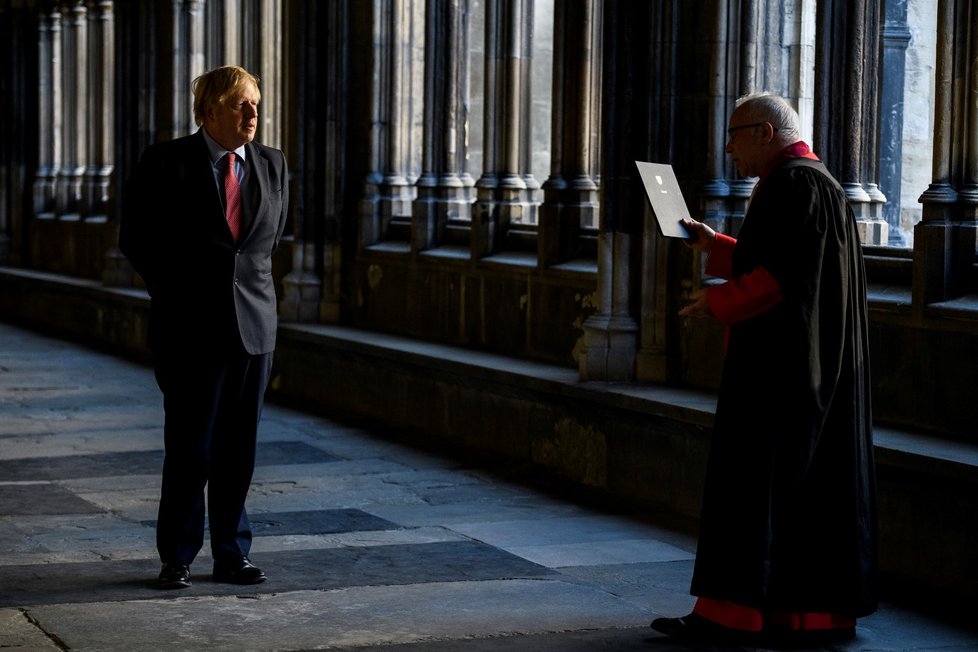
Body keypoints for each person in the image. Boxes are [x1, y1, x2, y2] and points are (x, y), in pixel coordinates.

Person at [651, 93, 878, 646]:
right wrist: (717, 244)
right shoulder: (809, 181)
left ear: (766, 132)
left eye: (735, 134)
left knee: (756, 487)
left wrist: (717, 302)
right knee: (801, 492)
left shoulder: (794, 183)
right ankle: (803, 617)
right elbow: (786, 259)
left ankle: (731, 617)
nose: (728, 148)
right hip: (807, 369)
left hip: (784, 374)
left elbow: (782, 280)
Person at [120, 65, 289, 589]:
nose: (253, 114)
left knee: (240, 449)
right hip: (189, 330)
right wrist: (177, 295)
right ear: (208, 111)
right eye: (241, 104)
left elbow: (266, 242)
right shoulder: (165, 161)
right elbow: (137, 239)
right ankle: (178, 556)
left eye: (256, 104)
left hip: (254, 329)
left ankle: (231, 554)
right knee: (190, 447)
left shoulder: (273, 164)